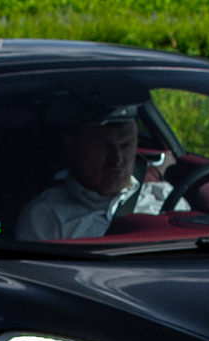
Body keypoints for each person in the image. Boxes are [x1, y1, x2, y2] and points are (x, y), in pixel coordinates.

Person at [18, 93, 173, 240]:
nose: (116, 159)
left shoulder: (166, 197)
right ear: (71, 146)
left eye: (126, 145)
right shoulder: (45, 216)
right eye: (102, 146)